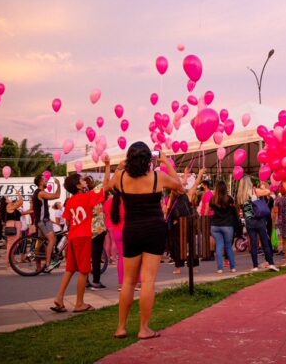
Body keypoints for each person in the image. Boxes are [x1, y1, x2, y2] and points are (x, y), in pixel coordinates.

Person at [106, 144, 182, 340]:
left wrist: (118, 168)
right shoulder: (157, 177)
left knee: (128, 281)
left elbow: (107, 187)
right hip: (154, 230)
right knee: (148, 281)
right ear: (149, 158)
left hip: (131, 230)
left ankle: (121, 327)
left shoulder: (121, 178)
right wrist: (165, 161)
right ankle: (144, 329)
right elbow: (179, 186)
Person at [50, 171, 106, 314]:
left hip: (73, 236)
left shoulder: (69, 202)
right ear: (78, 185)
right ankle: (79, 303)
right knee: (84, 271)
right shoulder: (87, 197)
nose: (85, 181)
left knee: (69, 269)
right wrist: (107, 166)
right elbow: (106, 185)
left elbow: (67, 220)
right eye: (82, 180)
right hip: (84, 236)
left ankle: (59, 298)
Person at [237, 176, 279, 272]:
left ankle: (255, 265)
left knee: (253, 243)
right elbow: (268, 192)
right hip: (259, 220)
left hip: (249, 221)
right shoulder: (254, 191)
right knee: (265, 242)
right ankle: (271, 263)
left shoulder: (240, 195)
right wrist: (264, 188)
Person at [168, 167, 204, 274]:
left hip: (183, 225)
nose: (183, 186)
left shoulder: (182, 196)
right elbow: (187, 184)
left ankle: (184, 267)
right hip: (181, 225)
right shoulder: (176, 198)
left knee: (185, 245)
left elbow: (194, 184)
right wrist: (187, 175)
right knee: (184, 246)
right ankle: (184, 267)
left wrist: (196, 174)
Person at [31, 174, 62, 273]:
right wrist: (58, 185)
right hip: (44, 221)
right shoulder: (41, 193)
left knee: (40, 244)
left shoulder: (38, 193)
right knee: (52, 240)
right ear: (40, 182)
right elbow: (56, 196)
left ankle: (38, 267)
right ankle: (48, 264)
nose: (46, 181)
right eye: (45, 180)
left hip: (40, 222)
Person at [83, 176, 108, 289]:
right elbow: (106, 181)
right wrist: (107, 166)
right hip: (98, 230)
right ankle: (96, 281)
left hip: (86, 230)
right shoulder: (95, 193)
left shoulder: (81, 197)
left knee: (87, 257)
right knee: (96, 257)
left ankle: (86, 280)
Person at [209, 180, 239, 273]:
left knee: (219, 246)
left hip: (215, 225)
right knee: (228, 247)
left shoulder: (213, 199)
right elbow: (234, 211)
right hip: (227, 225)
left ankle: (220, 268)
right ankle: (232, 267)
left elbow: (209, 210)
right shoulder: (229, 199)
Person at [1, 192, 24, 267]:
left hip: (13, 224)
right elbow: (20, 202)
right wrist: (19, 194)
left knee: (13, 244)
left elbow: (19, 204)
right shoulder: (9, 206)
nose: (9, 198)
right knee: (11, 244)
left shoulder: (9, 206)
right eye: (7, 197)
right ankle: (8, 261)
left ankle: (10, 260)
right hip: (13, 225)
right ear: (5, 201)